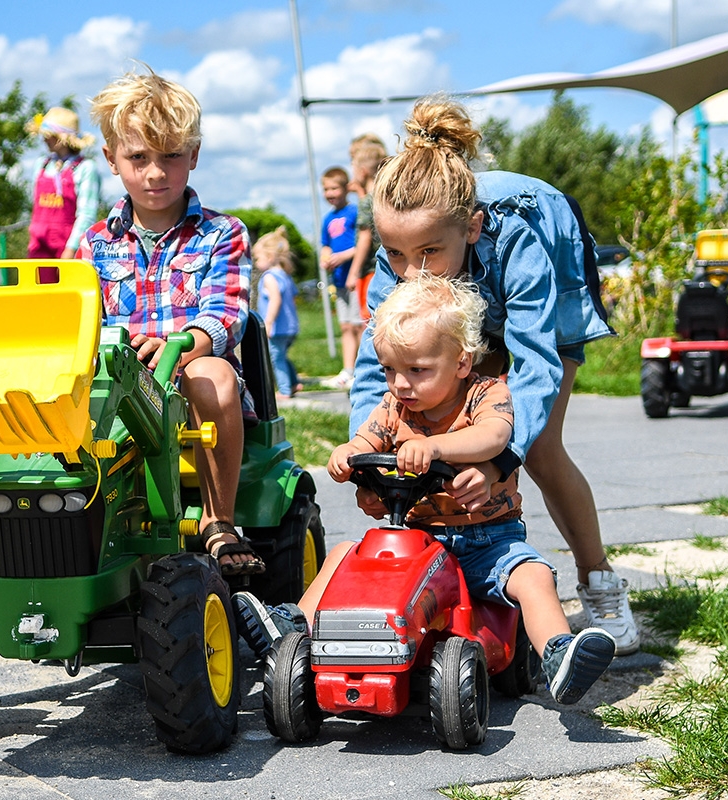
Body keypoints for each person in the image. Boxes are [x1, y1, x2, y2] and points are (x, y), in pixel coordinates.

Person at [233, 273, 616, 705]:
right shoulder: (395, 406)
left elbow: (494, 436)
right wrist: (348, 454)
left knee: (534, 576)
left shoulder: (487, 395)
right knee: (344, 554)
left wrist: (432, 447)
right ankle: (292, 625)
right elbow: (368, 438)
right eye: (390, 370)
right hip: (419, 541)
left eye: (416, 370)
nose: (400, 384)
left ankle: (559, 655)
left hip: (488, 541)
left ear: (461, 362)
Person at [350, 95, 639, 654]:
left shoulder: (517, 234)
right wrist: (371, 459)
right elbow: (373, 366)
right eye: (396, 254)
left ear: (473, 226)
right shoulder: (403, 265)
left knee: (540, 447)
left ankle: (598, 579)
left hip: (538, 285)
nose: (412, 273)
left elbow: (534, 359)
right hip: (460, 307)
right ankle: (460, 575)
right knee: (431, 427)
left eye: (429, 252)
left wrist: (500, 458)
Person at [79, 66, 261, 576]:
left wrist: (185, 346)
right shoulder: (94, 245)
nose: (155, 173)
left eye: (171, 157)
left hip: (189, 375)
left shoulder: (222, 233)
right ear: (112, 159)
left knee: (217, 378)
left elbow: (226, 311)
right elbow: (81, 320)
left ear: (194, 157)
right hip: (120, 378)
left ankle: (217, 519)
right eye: (138, 158)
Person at [25, 106, 102, 259]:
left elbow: (86, 214)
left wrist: (71, 249)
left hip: (67, 248)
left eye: (49, 135)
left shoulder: (84, 168)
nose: (44, 139)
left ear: (62, 138)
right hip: (39, 247)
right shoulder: (42, 165)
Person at [319, 166, 359, 389]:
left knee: (359, 325)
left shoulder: (354, 212)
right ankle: (347, 370)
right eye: (326, 189)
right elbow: (325, 244)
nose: (330, 193)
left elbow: (362, 245)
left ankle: (361, 369)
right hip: (340, 279)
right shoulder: (328, 219)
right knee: (345, 326)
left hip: (355, 278)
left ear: (346, 188)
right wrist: (326, 257)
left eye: (334, 188)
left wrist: (342, 257)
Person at [253, 226, 301, 399]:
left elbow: (275, 299)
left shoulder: (269, 277)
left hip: (277, 328)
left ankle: (285, 389)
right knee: (282, 355)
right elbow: (293, 297)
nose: (256, 263)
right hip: (290, 326)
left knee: (276, 358)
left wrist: (269, 322)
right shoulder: (285, 275)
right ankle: (295, 382)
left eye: (258, 258)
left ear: (270, 257)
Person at [345, 133, 388, 323]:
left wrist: (353, 273)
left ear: (362, 171)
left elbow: (365, 238)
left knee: (370, 321)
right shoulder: (384, 198)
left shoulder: (366, 203)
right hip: (385, 266)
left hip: (369, 271)